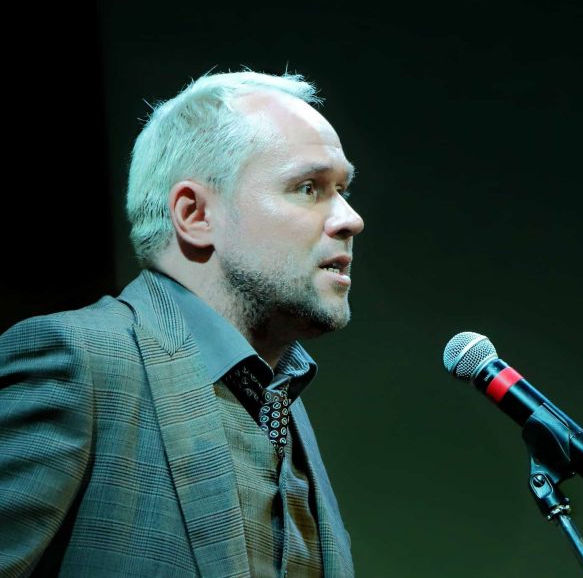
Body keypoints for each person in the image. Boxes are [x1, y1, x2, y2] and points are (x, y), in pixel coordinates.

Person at [0, 70, 364, 577]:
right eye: (309, 188)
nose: (350, 219)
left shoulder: (279, 400)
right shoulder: (76, 361)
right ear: (194, 214)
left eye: (342, 189)